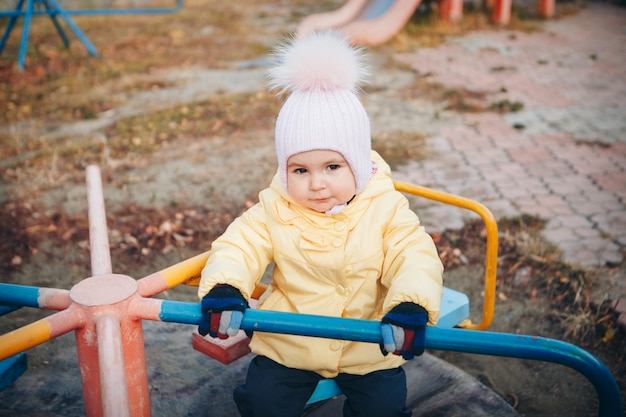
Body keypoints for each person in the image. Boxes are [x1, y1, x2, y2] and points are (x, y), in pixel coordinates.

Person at [197, 30, 443, 417]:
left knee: (383, 408)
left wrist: (410, 304)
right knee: (262, 402)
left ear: (358, 164)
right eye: (300, 169)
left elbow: (415, 257)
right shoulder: (276, 207)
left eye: (332, 166)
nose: (316, 183)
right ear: (284, 169)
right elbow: (239, 246)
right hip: (291, 340)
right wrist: (226, 287)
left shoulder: (386, 209)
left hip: (368, 343)